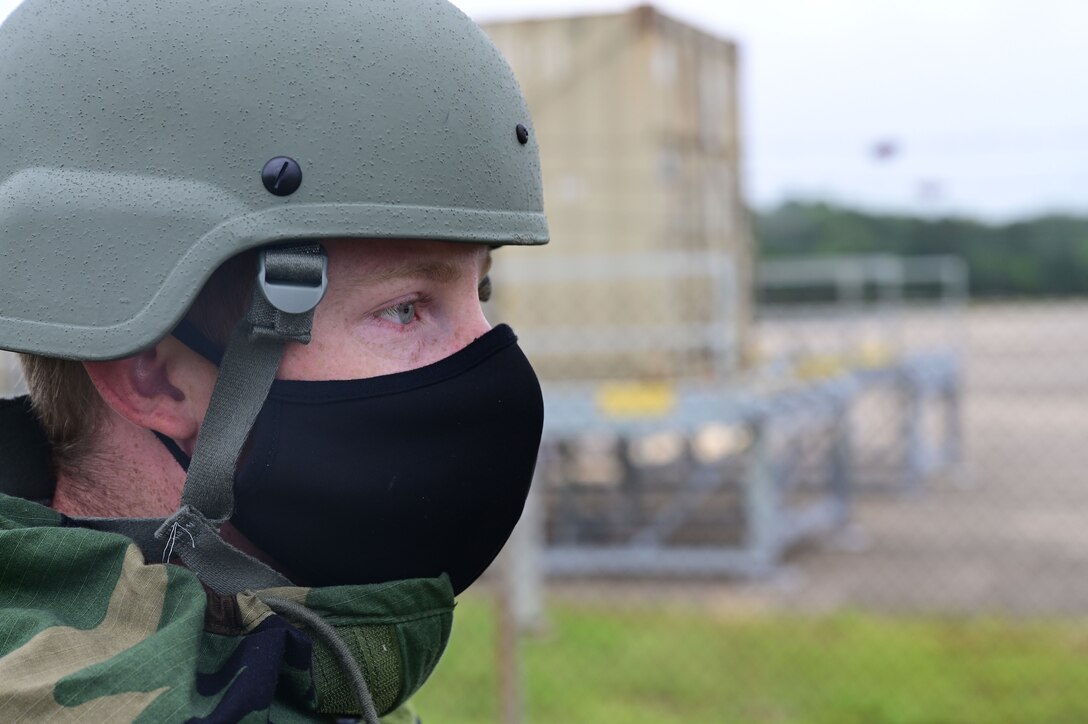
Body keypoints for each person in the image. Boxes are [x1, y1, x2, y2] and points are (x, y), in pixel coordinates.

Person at [0, 0, 548, 721]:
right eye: (405, 307)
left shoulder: (297, 661)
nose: (489, 366)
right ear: (154, 372)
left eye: (479, 290)